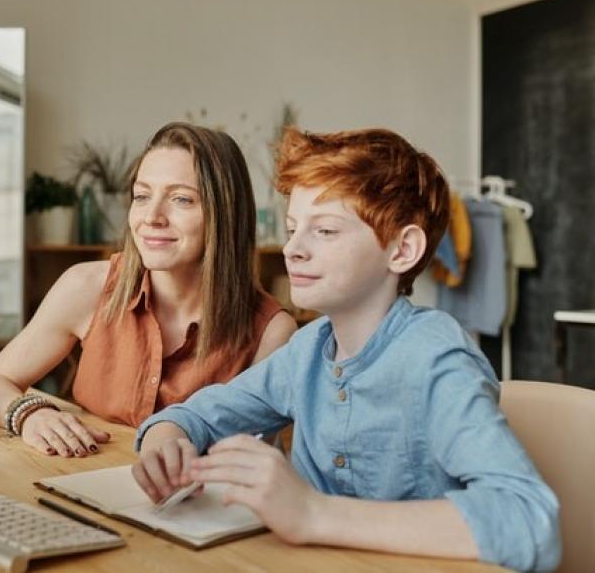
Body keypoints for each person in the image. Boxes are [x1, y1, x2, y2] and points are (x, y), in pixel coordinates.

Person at [132, 128, 560, 571]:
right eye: (294, 229)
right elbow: (196, 415)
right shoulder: (308, 350)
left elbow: (529, 521)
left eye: (326, 231)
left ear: (402, 249)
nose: (293, 250)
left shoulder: (436, 360)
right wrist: (166, 445)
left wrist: (312, 513)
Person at [0, 122, 297, 458]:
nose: (151, 216)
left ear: (225, 213)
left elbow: (251, 455)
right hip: (71, 486)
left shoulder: (271, 331)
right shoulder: (86, 287)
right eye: (141, 196)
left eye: (181, 199)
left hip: (192, 503)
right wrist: (30, 415)